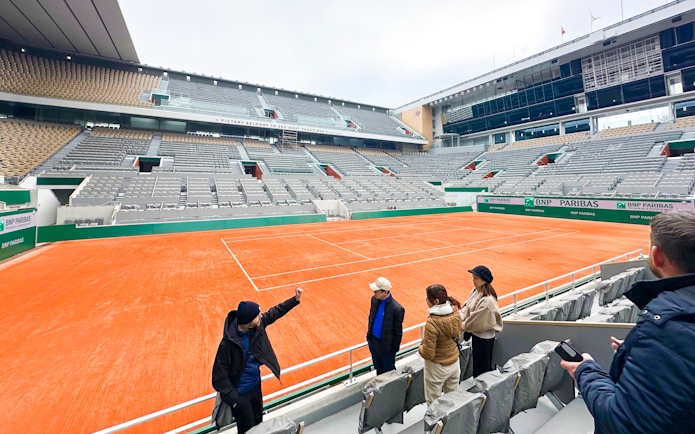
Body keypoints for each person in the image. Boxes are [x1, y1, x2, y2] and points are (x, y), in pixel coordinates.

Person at [561, 210, 695, 433]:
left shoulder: (664, 326)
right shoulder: (669, 330)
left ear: (656, 255)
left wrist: (585, 370)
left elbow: (622, 421)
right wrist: (637, 352)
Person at [211, 287, 303, 433]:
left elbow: (274, 312)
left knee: (259, 425)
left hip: (255, 387)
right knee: (247, 430)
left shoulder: (256, 327)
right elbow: (219, 378)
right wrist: (234, 400)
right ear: (248, 321)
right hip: (240, 396)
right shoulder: (226, 345)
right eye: (257, 315)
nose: (261, 316)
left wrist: (295, 300)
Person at [418, 284, 463, 404]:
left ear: (436, 301)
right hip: (454, 362)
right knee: (453, 399)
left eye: (428, 298)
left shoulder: (432, 323)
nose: (426, 300)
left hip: (437, 368)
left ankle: (435, 423)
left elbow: (428, 354)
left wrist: (420, 348)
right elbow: (457, 336)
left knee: (433, 402)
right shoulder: (455, 314)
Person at [460, 265, 503, 377]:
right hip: (477, 336)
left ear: (484, 280)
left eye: (476, 278)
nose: (473, 280)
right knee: (478, 366)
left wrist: (463, 325)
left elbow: (477, 320)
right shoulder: (475, 291)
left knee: (482, 369)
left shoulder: (488, 301)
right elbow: (467, 307)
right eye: (473, 277)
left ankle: (481, 391)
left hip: (484, 340)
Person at [366, 277, 405, 375]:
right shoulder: (374, 300)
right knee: (378, 369)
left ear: (385, 292)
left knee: (389, 373)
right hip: (374, 343)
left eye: (377, 290)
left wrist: (392, 350)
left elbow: (398, 332)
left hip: (386, 348)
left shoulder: (397, 309)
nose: (374, 292)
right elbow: (371, 317)